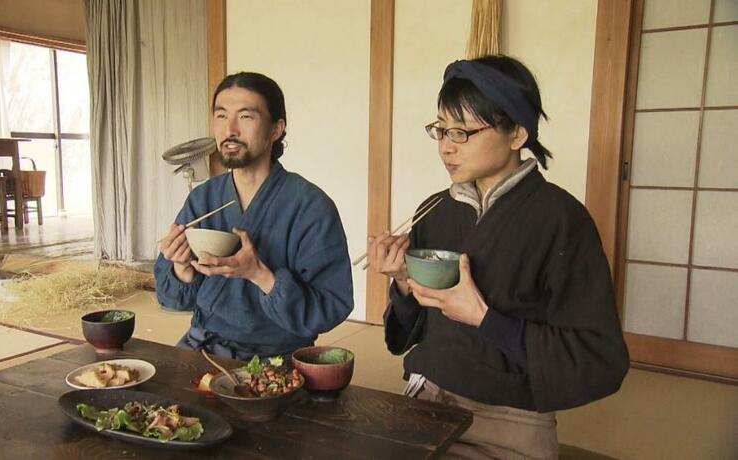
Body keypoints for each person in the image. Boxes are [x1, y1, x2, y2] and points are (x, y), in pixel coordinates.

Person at [367, 55, 629, 459]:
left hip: (509, 420)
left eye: (462, 132)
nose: (446, 146)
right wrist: (403, 280)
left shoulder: (562, 220)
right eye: (440, 130)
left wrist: (484, 318)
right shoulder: (433, 210)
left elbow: (599, 357)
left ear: (517, 134)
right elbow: (406, 336)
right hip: (425, 401)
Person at [155, 72, 353, 361]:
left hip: (276, 359)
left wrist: (261, 276)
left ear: (276, 129)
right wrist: (181, 270)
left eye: (246, 117)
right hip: (203, 347)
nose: (230, 129)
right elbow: (170, 297)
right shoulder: (204, 198)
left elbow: (332, 304)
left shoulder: (310, 206)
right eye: (221, 116)